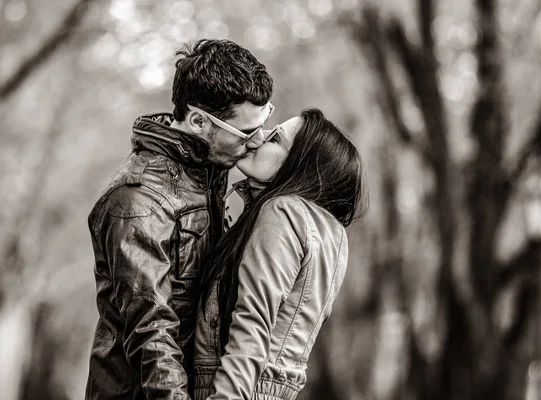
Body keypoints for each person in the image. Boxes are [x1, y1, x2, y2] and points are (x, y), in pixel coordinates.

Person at [85, 39, 274, 400]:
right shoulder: (138, 200)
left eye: (264, 123)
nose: (257, 142)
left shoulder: (206, 172)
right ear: (199, 121)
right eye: (247, 133)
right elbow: (152, 330)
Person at [192, 108, 366, 400]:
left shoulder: (282, 212)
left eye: (274, 139)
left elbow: (253, 323)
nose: (256, 139)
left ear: (301, 166)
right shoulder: (332, 235)